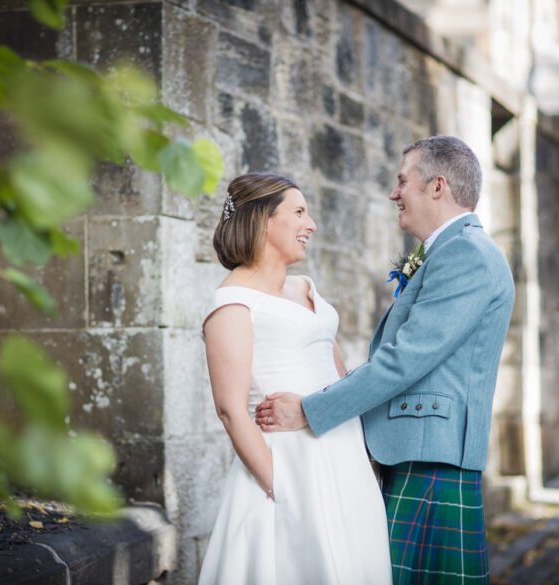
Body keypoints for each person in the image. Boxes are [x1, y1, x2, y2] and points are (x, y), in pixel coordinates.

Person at [255, 136, 515, 585]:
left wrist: (308, 409)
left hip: (432, 460)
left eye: (402, 181)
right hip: (419, 452)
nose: (394, 193)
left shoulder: (465, 254)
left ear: (437, 187)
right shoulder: (450, 251)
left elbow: (404, 360)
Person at [199, 173, 392, 585]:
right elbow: (231, 410)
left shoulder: (306, 288)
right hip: (289, 464)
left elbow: (340, 377)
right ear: (264, 221)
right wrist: (280, 486)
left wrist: (363, 456)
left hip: (345, 457)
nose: (312, 225)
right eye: (300, 212)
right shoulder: (232, 302)